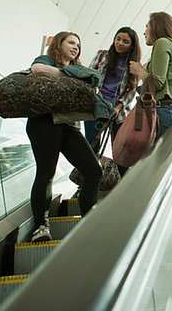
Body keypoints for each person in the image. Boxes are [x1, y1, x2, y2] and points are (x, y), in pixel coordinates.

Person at [27, 31, 103, 242]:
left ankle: (88, 220)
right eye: (71, 42)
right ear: (59, 44)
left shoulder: (77, 68)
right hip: (44, 122)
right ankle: (41, 227)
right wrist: (69, 75)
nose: (76, 47)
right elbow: (37, 69)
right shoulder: (48, 60)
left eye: (78, 45)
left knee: (93, 170)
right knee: (46, 173)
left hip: (68, 125)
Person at [84, 27, 141, 177]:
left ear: (132, 45)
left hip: (119, 113)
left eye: (125, 41)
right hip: (96, 107)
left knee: (121, 151)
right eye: (118, 39)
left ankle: (120, 185)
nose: (120, 43)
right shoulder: (103, 55)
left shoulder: (134, 65)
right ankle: (87, 184)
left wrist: (118, 107)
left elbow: (132, 89)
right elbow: (89, 76)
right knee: (91, 149)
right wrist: (97, 95)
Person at [129, 12, 172, 141]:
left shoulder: (162, 43)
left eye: (147, 27)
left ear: (157, 27)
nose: (144, 33)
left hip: (165, 110)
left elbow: (157, 83)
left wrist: (140, 71)